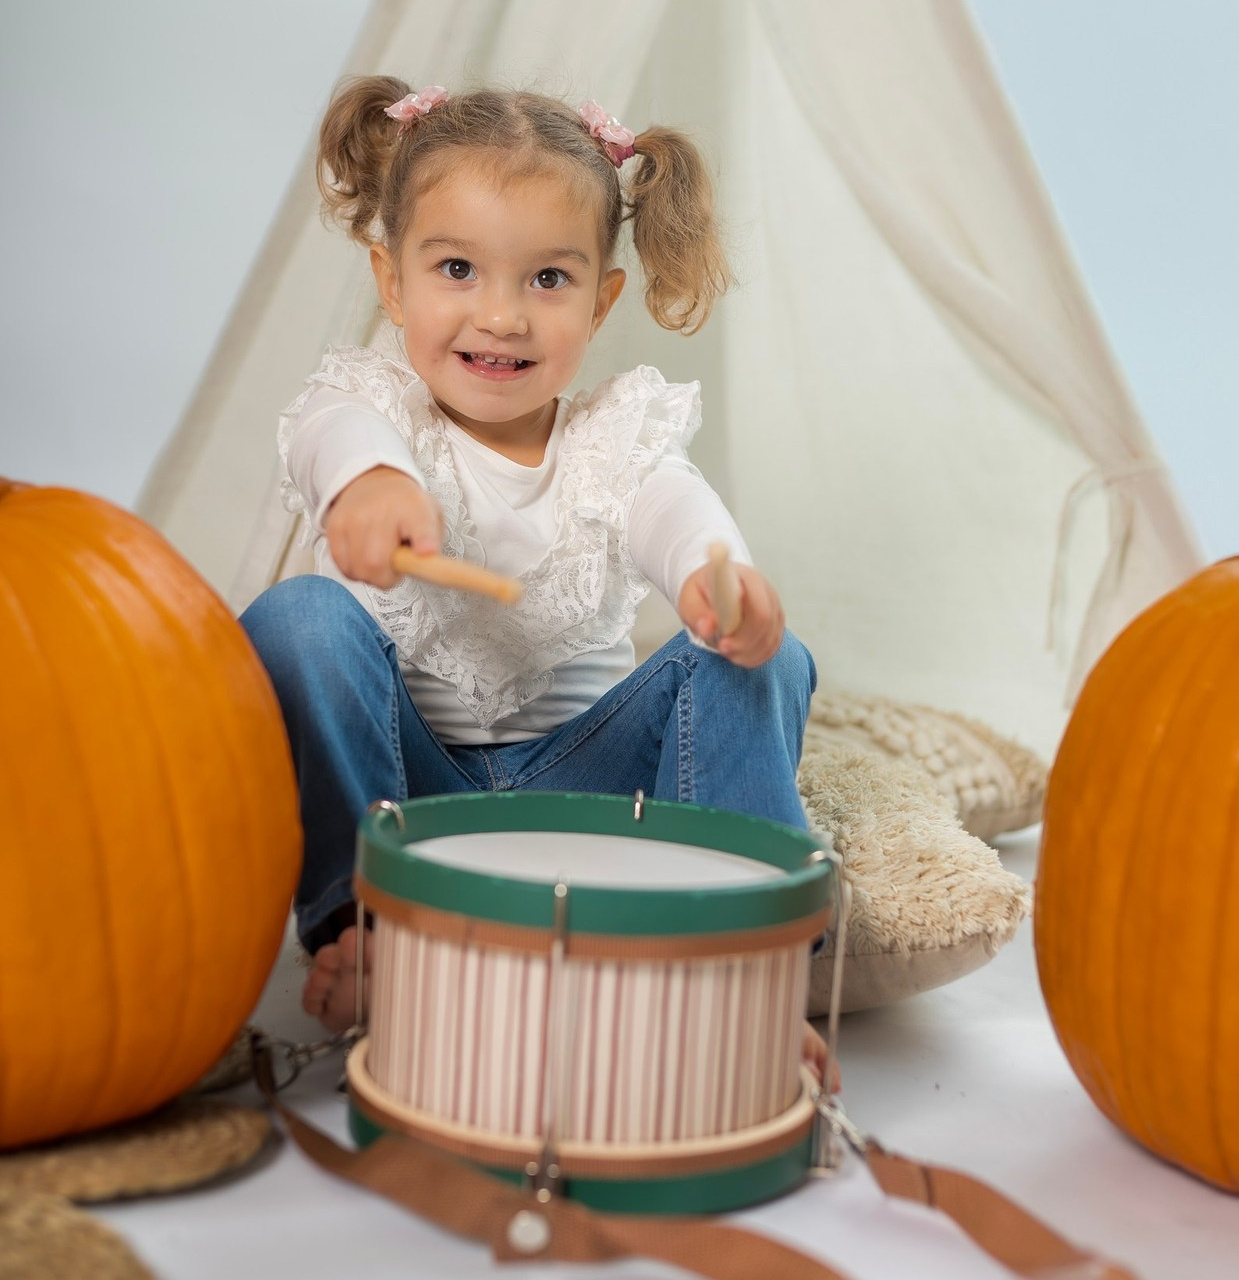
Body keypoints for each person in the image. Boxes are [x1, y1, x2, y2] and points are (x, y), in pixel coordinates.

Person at [240, 76, 833, 1082]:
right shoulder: (370, 404)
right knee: (298, 621)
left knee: (758, 663)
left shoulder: (613, 438)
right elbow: (339, 440)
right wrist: (369, 486)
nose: (502, 316)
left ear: (602, 298)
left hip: (589, 792)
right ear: (393, 283)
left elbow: (671, 507)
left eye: (547, 280)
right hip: (412, 796)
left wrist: (711, 575)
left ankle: (744, 959)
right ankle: (371, 923)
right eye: (458, 268)